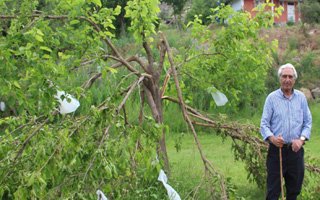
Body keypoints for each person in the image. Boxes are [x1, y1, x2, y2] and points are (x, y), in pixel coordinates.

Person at [260, 63, 312, 200]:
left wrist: (301, 140)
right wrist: (272, 139)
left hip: (295, 152)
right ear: (280, 79)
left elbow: (308, 122)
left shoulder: (301, 98)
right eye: (284, 76)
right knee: (273, 192)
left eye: (290, 77)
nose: (287, 79)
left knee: (294, 191)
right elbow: (264, 124)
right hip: (277, 152)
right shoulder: (271, 98)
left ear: (294, 80)